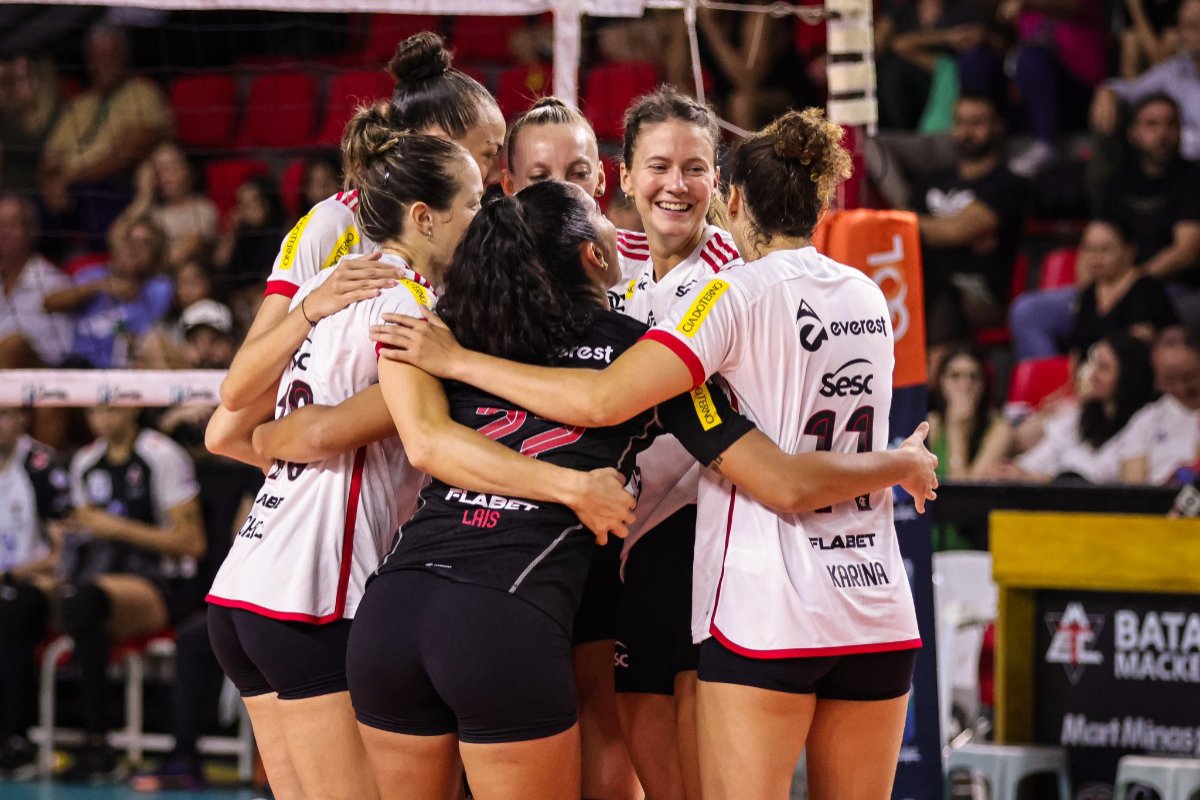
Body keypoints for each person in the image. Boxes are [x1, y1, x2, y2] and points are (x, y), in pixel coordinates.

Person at [379, 108, 934, 800]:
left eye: (697, 168)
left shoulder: (722, 295)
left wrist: (458, 360)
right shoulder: (865, 292)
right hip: (870, 598)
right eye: (660, 167)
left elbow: (607, 400)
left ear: (729, 198)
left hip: (764, 603)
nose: (678, 185)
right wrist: (901, 463)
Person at [206, 111, 632, 800]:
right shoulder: (411, 313)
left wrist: (273, 435)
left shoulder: (339, 280)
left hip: (248, 581)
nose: (486, 217)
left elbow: (225, 427)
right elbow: (419, 437)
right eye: (472, 204)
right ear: (424, 218)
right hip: (316, 591)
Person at [206, 31, 506, 465]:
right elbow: (229, 422)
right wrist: (313, 483)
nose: (494, 173)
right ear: (435, 141)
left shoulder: (469, 228)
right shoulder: (338, 225)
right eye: (486, 154)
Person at [55, 405, 204, 780]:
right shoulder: (86, 461)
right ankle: (82, 738)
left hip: (164, 583)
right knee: (63, 601)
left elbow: (193, 542)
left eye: (112, 408)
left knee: (86, 602)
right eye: (95, 410)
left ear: (134, 406)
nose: (102, 418)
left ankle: (97, 740)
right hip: (101, 576)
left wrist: (116, 527)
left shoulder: (162, 454)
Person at [38, 25, 173, 246]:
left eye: (109, 57)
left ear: (125, 56)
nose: (102, 65)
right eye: (95, 58)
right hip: (69, 190)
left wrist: (69, 179)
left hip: (112, 186)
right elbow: (49, 160)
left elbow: (125, 155)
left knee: (96, 197)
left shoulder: (143, 94)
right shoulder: (78, 105)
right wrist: (50, 185)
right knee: (27, 208)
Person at [912, 94, 1027, 347]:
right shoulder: (933, 180)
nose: (966, 132)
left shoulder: (1007, 184)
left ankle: (936, 373)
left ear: (997, 126)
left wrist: (926, 229)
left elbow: (954, 232)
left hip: (980, 292)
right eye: (960, 123)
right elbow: (902, 226)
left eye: (976, 123)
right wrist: (940, 231)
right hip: (928, 280)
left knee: (938, 283)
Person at [0, 407, 70, 777]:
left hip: (35, 585)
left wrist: (13, 573)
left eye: (3, 414)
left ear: (21, 418)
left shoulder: (40, 466)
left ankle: (17, 739)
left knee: (11, 612)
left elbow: (62, 551)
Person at [1004, 333, 1156, 482]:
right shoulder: (1078, 415)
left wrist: (1040, 479)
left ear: (1128, 376)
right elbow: (1040, 457)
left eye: (1103, 368)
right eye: (1093, 363)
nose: (1092, 374)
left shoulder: (1142, 422)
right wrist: (1014, 471)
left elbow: (1099, 481)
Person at [44, 214, 173, 369]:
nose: (134, 248)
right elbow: (49, 303)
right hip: (80, 366)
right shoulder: (93, 275)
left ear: (155, 255)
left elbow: (144, 338)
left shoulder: (159, 287)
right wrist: (101, 286)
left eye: (144, 244)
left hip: (125, 370)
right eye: (129, 241)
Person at [1091, 0, 1200, 162]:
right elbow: (1132, 90)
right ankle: (1102, 186)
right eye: (1180, 25)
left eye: (1190, 26)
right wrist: (1107, 91)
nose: (1181, 34)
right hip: (1179, 171)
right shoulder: (1177, 69)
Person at [1064, 218, 1177, 357]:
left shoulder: (1147, 289)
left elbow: (1142, 344)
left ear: (1129, 250)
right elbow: (1077, 349)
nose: (1096, 257)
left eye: (1105, 249)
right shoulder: (1088, 294)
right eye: (1089, 249)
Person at [115, 142, 218, 271]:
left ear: (187, 169)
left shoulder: (203, 209)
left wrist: (136, 261)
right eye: (158, 171)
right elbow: (115, 242)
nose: (166, 176)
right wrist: (144, 195)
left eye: (172, 167)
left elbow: (175, 256)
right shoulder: (150, 211)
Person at [1117, 325, 1200, 484]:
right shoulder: (1146, 420)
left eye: (1190, 377)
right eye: (1170, 381)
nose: (1182, 388)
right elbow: (1134, 489)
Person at [0, 193, 72, 370]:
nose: (3, 233)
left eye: (12, 225)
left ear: (31, 231)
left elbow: (60, 357)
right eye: (0, 225)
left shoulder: (54, 283)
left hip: (38, 382)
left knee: (13, 345)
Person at [927, 346, 1009, 480]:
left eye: (973, 377)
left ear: (983, 385)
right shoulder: (931, 424)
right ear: (941, 383)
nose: (964, 385)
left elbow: (966, 492)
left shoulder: (999, 429)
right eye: (955, 376)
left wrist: (957, 430)